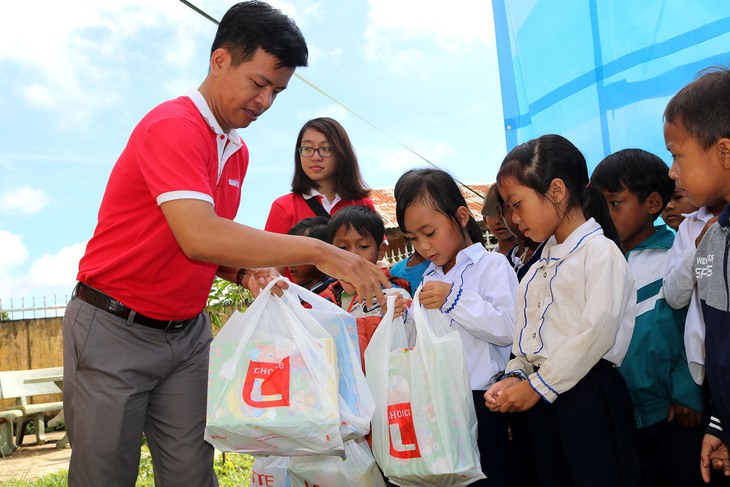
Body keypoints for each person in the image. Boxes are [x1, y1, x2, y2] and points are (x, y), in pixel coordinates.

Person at [61, 3, 389, 486]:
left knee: (192, 473)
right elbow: (199, 235)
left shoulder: (236, 149)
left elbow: (210, 247)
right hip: (115, 326)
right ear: (220, 61)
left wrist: (243, 271)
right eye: (258, 84)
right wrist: (320, 250)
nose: (265, 102)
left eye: (276, 92)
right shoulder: (174, 126)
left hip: (187, 336)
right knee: (103, 474)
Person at [484, 134, 640, 487]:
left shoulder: (600, 253)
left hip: (590, 398)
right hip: (542, 399)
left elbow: (596, 335)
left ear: (556, 190)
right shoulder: (536, 267)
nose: (512, 217)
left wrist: (536, 385)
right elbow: (525, 341)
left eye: (517, 203)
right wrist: (514, 376)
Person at [395, 168, 518, 487]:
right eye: (413, 238)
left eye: (430, 232)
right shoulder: (427, 278)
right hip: (438, 406)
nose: (423, 246)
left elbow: (509, 328)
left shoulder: (492, 266)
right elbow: (419, 344)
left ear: (461, 216)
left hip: (486, 402)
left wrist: (456, 299)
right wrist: (402, 316)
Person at [591, 148, 705, 486]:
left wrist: (687, 389)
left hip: (671, 412)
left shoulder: (674, 255)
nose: (604, 215)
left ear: (653, 204)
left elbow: (694, 323)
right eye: (599, 205)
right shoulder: (600, 261)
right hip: (619, 414)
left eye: (615, 203)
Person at [663, 66, 730, 483]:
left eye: (677, 155)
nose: (672, 172)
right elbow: (716, 326)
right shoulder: (713, 240)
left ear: (724, 152)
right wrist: (722, 421)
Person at [320, 205, 412, 370]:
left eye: (363, 246)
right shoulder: (323, 300)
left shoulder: (394, 295)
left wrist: (392, 314)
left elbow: (410, 339)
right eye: (342, 248)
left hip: (382, 388)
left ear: (380, 251)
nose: (352, 255)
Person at [264, 117, 375, 234]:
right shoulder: (283, 207)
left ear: (342, 153)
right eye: (307, 148)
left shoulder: (363, 204)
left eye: (325, 148)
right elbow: (269, 252)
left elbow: (374, 250)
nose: (315, 157)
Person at [287, 216, 337, 293]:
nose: (291, 262)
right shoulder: (295, 295)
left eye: (298, 253)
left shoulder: (334, 295)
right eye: (289, 254)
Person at [481, 184, 519, 257]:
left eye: (503, 213)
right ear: (485, 221)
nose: (498, 221)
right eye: (492, 215)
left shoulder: (540, 255)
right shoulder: (488, 263)